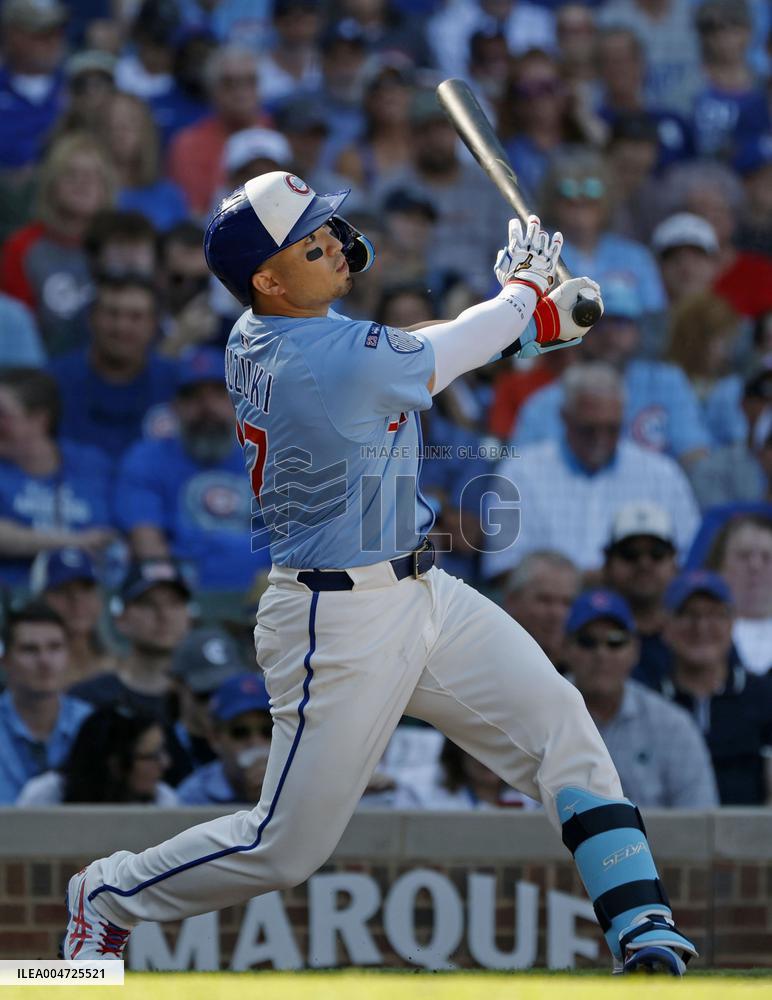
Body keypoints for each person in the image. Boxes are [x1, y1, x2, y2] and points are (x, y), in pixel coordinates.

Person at [62, 170, 697, 976]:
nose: (335, 242)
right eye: (311, 239)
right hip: (337, 620)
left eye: (328, 226)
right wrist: (522, 299)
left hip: (421, 590)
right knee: (284, 847)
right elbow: (431, 352)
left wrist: (532, 321)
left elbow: (422, 353)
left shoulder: (279, 332)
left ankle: (643, 929)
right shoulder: (313, 358)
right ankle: (108, 897)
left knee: (560, 724)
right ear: (267, 278)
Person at [483, 363, 700, 579]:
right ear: (565, 418)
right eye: (589, 429)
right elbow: (502, 568)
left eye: (611, 429)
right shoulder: (521, 472)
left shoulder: (662, 474)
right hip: (550, 605)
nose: (600, 439)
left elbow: (689, 558)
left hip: (636, 605)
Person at [115, 348, 270, 592]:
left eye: (218, 394)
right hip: (185, 601)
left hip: (268, 601)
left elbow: (300, 542)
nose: (207, 407)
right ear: (175, 407)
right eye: (192, 396)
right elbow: (148, 546)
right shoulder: (147, 458)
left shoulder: (271, 456)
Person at [512, 281, 710, 463]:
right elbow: (523, 467)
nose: (609, 333)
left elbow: (694, 455)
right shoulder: (546, 403)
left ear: (638, 332)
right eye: (597, 323)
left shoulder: (667, 383)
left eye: (621, 322)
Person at [562, 589, 718, 809]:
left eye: (615, 642)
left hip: (656, 843)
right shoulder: (537, 713)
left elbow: (699, 818)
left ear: (635, 650)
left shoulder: (672, 726)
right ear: (566, 648)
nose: (602, 653)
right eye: (588, 642)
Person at [659, 569, 772, 805]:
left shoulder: (763, 696)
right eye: (688, 615)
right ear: (666, 626)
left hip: (753, 837)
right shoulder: (649, 699)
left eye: (714, 615)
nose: (701, 627)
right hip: (666, 837)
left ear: (732, 624)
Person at [0, 132, 114, 356]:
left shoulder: (119, 243)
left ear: (106, 188)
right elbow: (15, 328)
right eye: (71, 175)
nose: (82, 184)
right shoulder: (21, 247)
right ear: (51, 184)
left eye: (93, 176)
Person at [0, 368, 114, 588]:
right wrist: (74, 541)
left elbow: (112, 535)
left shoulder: (92, 465)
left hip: (85, 596)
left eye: (2, 415)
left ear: (39, 420)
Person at [48, 273, 178, 462]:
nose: (121, 326)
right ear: (90, 319)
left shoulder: (175, 382)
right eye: (111, 314)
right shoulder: (53, 382)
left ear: (154, 325)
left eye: (136, 317)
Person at [69, 559, 193, 723]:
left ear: (189, 617)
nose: (163, 615)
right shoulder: (88, 698)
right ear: (121, 619)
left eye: (174, 603)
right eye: (148, 604)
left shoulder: (207, 697)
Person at [0, 602, 92, 804]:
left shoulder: (92, 724)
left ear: (68, 654)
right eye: (30, 649)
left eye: (55, 647)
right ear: (5, 660)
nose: (44, 661)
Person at [17, 705, 177, 806]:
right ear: (115, 765)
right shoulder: (45, 796)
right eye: (153, 756)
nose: (166, 763)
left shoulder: (164, 800)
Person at [602, 502, 679, 690]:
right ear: (608, 563)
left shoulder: (696, 632)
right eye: (630, 554)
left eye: (657, 554)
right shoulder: (586, 634)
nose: (644, 564)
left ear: (674, 563)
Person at [175, 671, 273, 805]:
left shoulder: (298, 786)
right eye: (240, 732)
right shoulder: (191, 797)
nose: (255, 742)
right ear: (214, 738)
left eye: (268, 731)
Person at [104, 91, 189, 232]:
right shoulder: (90, 193)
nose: (120, 131)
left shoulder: (169, 195)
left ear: (146, 131)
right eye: (111, 124)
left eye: (130, 123)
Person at [30, 547, 116, 687]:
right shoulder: (26, 673)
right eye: (62, 590)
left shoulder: (121, 668)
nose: (77, 600)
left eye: (86, 589)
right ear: (39, 601)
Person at [166, 626, 243, 783]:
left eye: (226, 691)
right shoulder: (161, 748)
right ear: (177, 685)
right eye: (205, 693)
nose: (216, 702)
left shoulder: (256, 738)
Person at [708, 514, 772, 676]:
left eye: (767, 557)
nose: (755, 566)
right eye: (743, 556)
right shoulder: (699, 631)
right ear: (719, 565)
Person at [501, 551, 580, 672]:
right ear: (512, 601)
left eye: (567, 603)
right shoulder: (489, 659)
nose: (557, 613)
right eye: (545, 600)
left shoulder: (584, 674)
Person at [650, 212, 721, 307]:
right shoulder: (643, 321)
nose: (686, 267)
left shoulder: (734, 320)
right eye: (674, 258)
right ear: (659, 268)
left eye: (696, 257)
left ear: (714, 265)